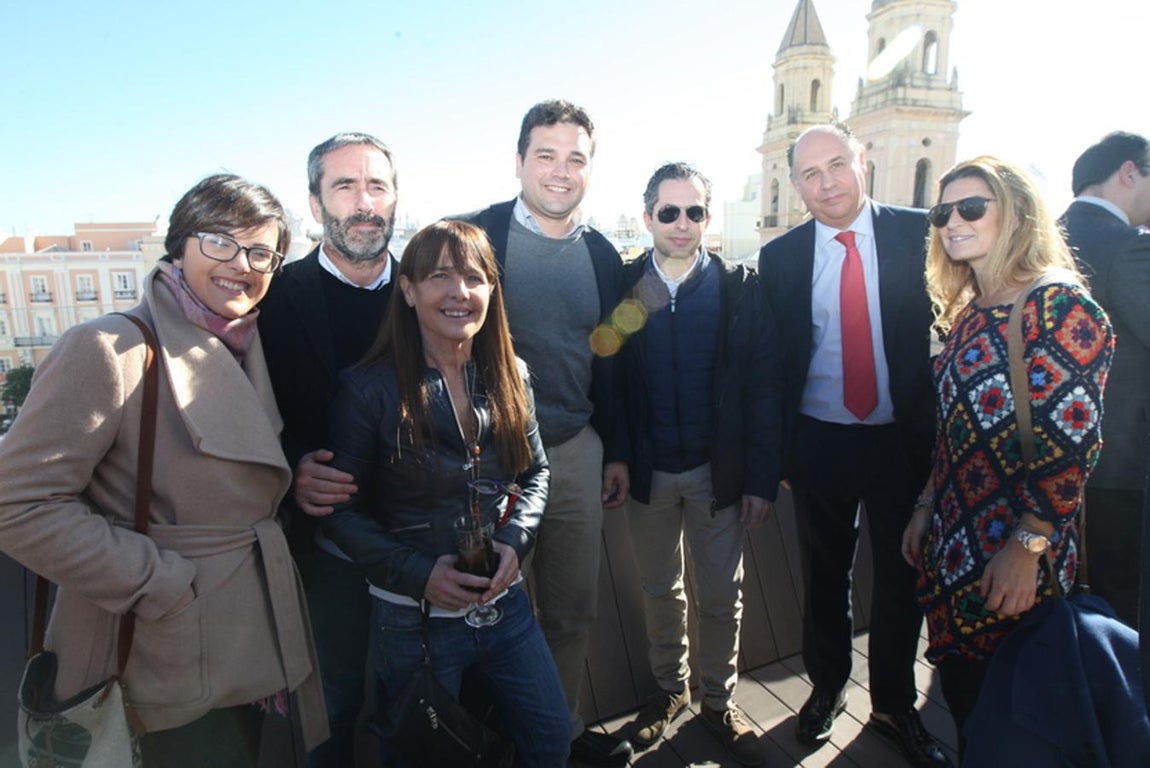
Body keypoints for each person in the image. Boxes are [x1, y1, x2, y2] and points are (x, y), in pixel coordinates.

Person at [0, 173, 327, 766]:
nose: (241, 264)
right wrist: (161, 584)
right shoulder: (108, 348)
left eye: (261, 253)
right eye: (219, 241)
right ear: (179, 247)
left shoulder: (245, 346)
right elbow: (16, 504)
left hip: (239, 645)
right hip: (152, 652)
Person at [319, 220, 570, 765]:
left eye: (474, 278)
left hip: (505, 607)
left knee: (552, 738)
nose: (460, 292)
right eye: (440, 276)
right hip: (413, 622)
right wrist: (421, 575)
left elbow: (536, 474)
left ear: (492, 291)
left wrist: (515, 541)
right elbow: (339, 512)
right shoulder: (367, 390)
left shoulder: (511, 374)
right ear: (407, 290)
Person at [902, 155, 1114, 754]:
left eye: (972, 208)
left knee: (1018, 723)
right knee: (972, 712)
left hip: (1014, 559)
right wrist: (926, 506)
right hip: (956, 549)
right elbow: (953, 430)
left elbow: (1072, 445)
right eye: (943, 212)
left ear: (1017, 213)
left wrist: (1026, 548)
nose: (953, 222)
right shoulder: (971, 310)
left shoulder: (1059, 306)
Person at [757, 124, 949, 767]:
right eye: (810, 174)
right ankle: (828, 687)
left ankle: (893, 704)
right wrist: (782, 454)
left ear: (862, 160)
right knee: (824, 574)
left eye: (837, 164)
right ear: (795, 185)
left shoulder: (920, 233)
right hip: (819, 443)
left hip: (903, 442)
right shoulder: (781, 259)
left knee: (903, 576)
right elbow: (775, 364)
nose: (827, 183)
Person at [455, 99, 632, 765]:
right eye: (546, 155)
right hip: (491, 461)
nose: (561, 170)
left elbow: (611, 359)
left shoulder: (604, 255)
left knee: (572, 609)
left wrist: (615, 450)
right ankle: (497, 744)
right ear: (519, 161)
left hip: (577, 453)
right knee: (488, 613)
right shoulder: (474, 238)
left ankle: (558, 734)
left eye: (575, 158)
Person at [613, 162, 773, 765]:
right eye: (669, 212)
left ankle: (718, 702)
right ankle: (669, 692)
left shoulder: (737, 288)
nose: (682, 224)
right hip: (649, 473)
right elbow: (611, 374)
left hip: (716, 473)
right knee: (660, 589)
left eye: (695, 211)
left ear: (708, 216)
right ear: (648, 215)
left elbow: (764, 387)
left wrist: (759, 478)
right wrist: (620, 456)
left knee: (721, 594)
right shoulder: (626, 287)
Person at [257, 132, 400, 766]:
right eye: (345, 186)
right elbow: (242, 413)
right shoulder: (271, 297)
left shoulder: (431, 289)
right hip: (325, 548)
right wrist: (291, 470)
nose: (364, 202)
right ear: (315, 205)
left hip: (424, 537)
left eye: (377, 186)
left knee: (421, 699)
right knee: (335, 702)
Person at [1059, 131, 1150, 629]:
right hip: (1117, 469)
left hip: (1039, 462)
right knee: (1120, 612)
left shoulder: (1039, 241)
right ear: (1129, 172)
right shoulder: (1129, 248)